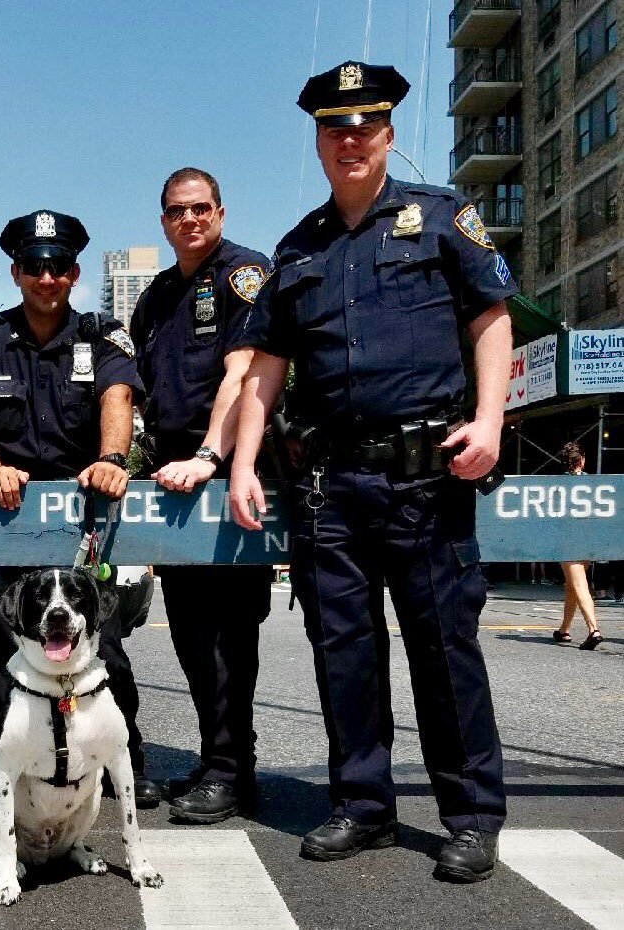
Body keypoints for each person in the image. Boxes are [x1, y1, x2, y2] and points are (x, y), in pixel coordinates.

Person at [229, 61, 513, 882]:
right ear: (318, 142)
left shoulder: (440, 217)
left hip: (426, 478)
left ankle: (470, 816)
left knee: (443, 651)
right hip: (329, 488)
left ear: (387, 134)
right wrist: (243, 461)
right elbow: (265, 368)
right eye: (333, 128)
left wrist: (489, 420)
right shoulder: (297, 248)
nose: (349, 139)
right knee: (342, 652)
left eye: (363, 125)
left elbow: (490, 319)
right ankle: (362, 805)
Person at [0, 209, 160, 807]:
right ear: (16, 272)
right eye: (35, 266)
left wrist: (112, 458)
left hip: (78, 527)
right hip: (2, 520)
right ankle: (11, 770)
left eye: (59, 266)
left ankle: (124, 764)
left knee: (104, 652)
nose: (47, 277)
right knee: (2, 656)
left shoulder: (100, 336)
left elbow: (117, 395)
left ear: (74, 273)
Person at [129, 167, 272, 823]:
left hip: (224, 469)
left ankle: (232, 770)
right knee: (189, 630)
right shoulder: (157, 296)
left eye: (200, 208)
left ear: (219, 211)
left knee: (228, 632)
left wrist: (209, 456)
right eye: (176, 211)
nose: (189, 219)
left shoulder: (245, 274)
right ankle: (219, 759)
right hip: (171, 476)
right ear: (163, 220)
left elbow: (245, 375)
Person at [554, 442, 603, 650]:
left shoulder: (558, 486)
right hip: (587, 540)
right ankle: (564, 629)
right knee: (572, 586)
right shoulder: (592, 483)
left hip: (568, 540)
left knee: (579, 585)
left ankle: (594, 630)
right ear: (581, 460)